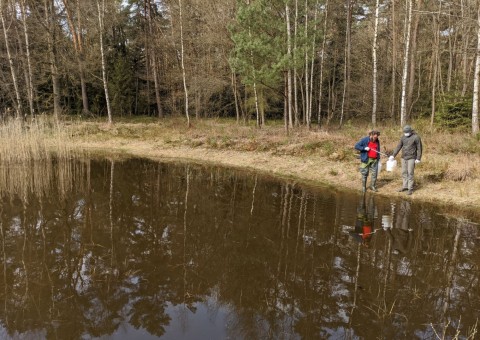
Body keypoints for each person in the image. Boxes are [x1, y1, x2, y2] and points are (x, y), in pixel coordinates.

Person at [389, 125, 422, 195]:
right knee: (404, 172)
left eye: (407, 132)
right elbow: (399, 146)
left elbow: (419, 148)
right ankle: (405, 186)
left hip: (412, 157)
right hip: (403, 157)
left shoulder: (416, 137)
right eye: (405, 132)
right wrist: (393, 155)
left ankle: (410, 189)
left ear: (410, 131)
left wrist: (418, 158)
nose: (406, 133)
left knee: (410, 173)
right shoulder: (403, 137)